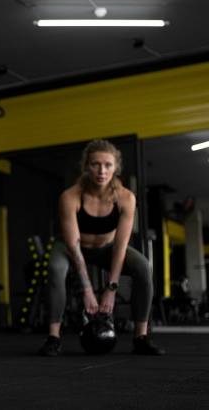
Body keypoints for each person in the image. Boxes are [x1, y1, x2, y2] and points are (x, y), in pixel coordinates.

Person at [38, 139, 165, 357]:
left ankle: (141, 337)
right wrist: (87, 289)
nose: (101, 171)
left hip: (107, 248)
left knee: (144, 267)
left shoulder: (126, 198)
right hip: (71, 248)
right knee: (55, 269)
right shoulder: (70, 197)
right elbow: (73, 245)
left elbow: (120, 246)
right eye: (95, 164)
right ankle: (53, 337)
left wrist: (111, 289)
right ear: (86, 166)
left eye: (108, 165)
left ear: (116, 168)